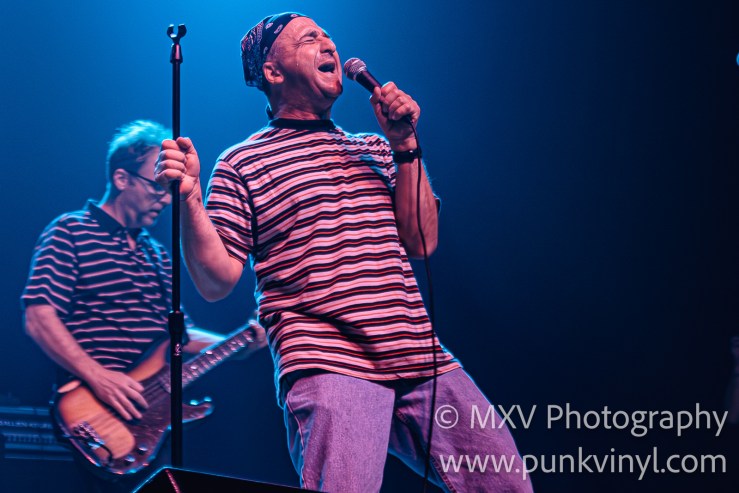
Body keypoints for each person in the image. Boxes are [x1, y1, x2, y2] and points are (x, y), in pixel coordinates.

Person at [156, 12, 533, 492]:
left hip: (421, 358)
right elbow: (216, 281)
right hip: (328, 361)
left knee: (506, 485)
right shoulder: (242, 161)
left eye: (328, 36)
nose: (328, 44)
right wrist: (189, 197)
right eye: (309, 38)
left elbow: (422, 240)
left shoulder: (375, 148)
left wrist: (405, 144)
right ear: (272, 71)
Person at [21, 120, 266, 493]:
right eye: (157, 187)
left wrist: (239, 342)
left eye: (168, 191)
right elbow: (39, 317)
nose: (166, 200)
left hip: (152, 411)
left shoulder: (156, 253)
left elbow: (180, 337)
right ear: (122, 179)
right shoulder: (70, 230)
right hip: (92, 406)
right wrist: (99, 377)